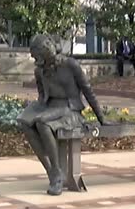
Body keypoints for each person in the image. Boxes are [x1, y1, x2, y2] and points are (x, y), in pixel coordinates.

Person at [18, 34, 106, 195]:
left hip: (69, 109)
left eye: (38, 55)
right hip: (50, 106)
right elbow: (42, 96)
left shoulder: (70, 65)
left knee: (42, 123)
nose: (36, 59)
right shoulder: (40, 71)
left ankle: (57, 174)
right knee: (24, 121)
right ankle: (51, 171)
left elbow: (87, 90)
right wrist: (33, 109)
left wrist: (101, 118)